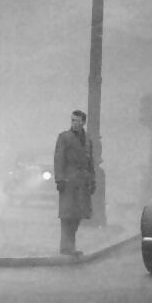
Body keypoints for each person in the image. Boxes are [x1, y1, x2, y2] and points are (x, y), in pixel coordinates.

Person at [53, 109, 95, 256]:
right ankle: (66, 247)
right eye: (72, 120)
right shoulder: (64, 137)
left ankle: (71, 245)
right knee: (67, 216)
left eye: (77, 121)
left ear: (83, 122)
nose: (74, 123)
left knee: (77, 215)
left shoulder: (88, 140)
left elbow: (90, 163)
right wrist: (59, 179)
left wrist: (92, 180)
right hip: (69, 182)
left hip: (82, 183)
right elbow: (59, 159)